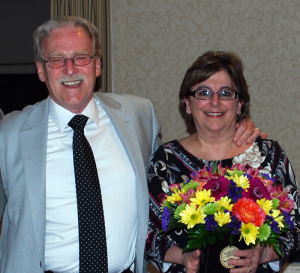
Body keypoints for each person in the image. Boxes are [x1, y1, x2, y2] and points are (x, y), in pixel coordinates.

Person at [0, 17, 259, 273]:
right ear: (41, 69)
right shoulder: (10, 133)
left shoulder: (138, 115)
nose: (70, 69)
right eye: (56, 59)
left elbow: (168, 192)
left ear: (97, 65)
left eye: (81, 57)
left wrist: (235, 128)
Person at [145, 51, 300, 273]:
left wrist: (264, 252)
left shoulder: (269, 156)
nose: (215, 102)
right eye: (203, 92)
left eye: (226, 93)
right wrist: (184, 257)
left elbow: (296, 227)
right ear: (187, 103)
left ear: (239, 105)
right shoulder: (165, 161)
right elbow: (146, 235)